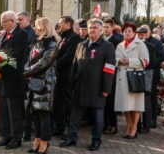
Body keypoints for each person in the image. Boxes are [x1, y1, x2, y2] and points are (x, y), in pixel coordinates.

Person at [60, 18, 116, 152]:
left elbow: (109, 68)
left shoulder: (107, 46)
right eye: (90, 27)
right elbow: (75, 64)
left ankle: (96, 140)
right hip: (80, 86)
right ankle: (71, 138)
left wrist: (106, 88)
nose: (92, 30)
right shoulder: (81, 44)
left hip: (97, 88)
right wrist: (71, 83)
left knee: (98, 118)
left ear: (101, 30)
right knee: (75, 116)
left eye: (95, 28)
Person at [0, 11, 29, 150]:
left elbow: (17, 57)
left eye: (4, 21)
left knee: (14, 111)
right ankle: (6, 136)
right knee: (4, 111)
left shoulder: (22, 34)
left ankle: (16, 138)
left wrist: (1, 72)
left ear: (13, 21)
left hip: (13, 79)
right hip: (1, 80)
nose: (2, 24)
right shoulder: (2, 34)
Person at [24, 17, 59, 154]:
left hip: (45, 83)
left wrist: (28, 73)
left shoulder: (51, 44)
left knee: (44, 114)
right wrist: (27, 71)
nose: (34, 28)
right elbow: (29, 59)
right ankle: (37, 140)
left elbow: (45, 62)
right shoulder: (36, 42)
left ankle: (45, 142)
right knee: (36, 114)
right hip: (33, 81)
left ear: (44, 27)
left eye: (37, 26)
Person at [114, 23, 149, 139]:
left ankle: (134, 127)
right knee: (125, 105)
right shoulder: (119, 45)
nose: (127, 33)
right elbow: (114, 59)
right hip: (122, 79)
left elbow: (145, 61)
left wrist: (129, 61)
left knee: (136, 105)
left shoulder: (140, 44)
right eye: (125, 31)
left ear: (134, 32)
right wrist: (119, 61)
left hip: (135, 78)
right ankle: (128, 126)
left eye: (129, 31)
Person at [52, 16, 81, 136]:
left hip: (67, 75)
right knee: (58, 103)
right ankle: (60, 128)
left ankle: (72, 129)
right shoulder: (62, 37)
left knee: (68, 103)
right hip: (59, 75)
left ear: (68, 24)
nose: (59, 25)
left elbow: (68, 57)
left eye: (61, 23)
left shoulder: (74, 38)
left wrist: (54, 66)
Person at [139, 24, 164, 129]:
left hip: (153, 72)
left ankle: (152, 119)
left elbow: (161, 56)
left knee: (152, 96)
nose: (143, 33)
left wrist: (151, 64)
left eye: (146, 31)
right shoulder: (138, 42)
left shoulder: (156, 43)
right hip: (141, 73)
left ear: (149, 31)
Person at [102, 18, 122, 135]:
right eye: (104, 27)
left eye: (107, 27)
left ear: (113, 27)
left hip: (111, 73)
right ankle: (104, 124)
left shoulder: (116, 41)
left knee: (111, 101)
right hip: (101, 72)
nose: (105, 29)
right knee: (103, 102)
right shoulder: (101, 39)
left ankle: (113, 125)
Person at [136, 27, 157, 134]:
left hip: (146, 73)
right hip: (135, 74)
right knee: (136, 100)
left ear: (146, 35)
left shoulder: (151, 47)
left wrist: (140, 64)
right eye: (139, 34)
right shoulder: (134, 45)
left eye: (142, 34)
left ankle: (147, 125)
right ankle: (138, 124)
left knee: (146, 100)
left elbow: (152, 62)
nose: (140, 36)